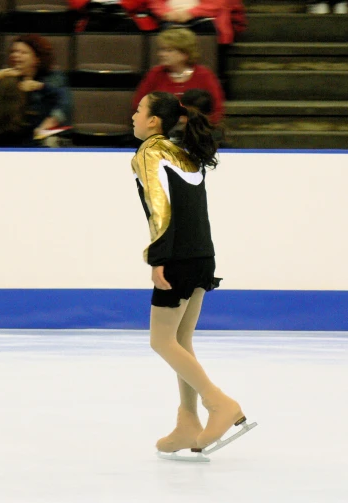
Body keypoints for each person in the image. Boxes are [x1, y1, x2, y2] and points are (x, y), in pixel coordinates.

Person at [130, 91, 247, 455]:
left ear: (153, 121)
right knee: (181, 341)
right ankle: (187, 421)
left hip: (177, 258)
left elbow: (159, 207)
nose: (132, 116)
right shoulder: (184, 151)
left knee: (161, 341)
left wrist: (158, 257)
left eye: (138, 110)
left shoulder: (150, 152)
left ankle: (219, 404)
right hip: (201, 256)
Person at [0, 35, 71, 146]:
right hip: (0, 137)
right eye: (14, 52)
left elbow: (63, 101)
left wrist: (40, 87)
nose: (16, 55)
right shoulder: (3, 79)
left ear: (37, 59)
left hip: (35, 139)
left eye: (23, 53)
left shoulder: (52, 79)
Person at [132, 28, 225, 124]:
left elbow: (217, 110)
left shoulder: (205, 75)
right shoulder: (155, 74)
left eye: (169, 50)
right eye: (161, 50)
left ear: (184, 54)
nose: (161, 54)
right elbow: (139, 106)